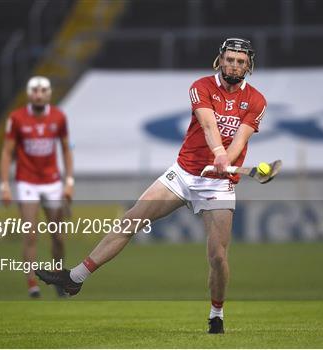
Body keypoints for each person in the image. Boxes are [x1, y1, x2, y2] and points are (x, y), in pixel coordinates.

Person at [36, 38, 267, 333]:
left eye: (240, 61)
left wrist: (226, 158)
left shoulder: (257, 100)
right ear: (220, 60)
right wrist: (219, 153)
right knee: (132, 219)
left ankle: (216, 314)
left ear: (249, 66)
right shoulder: (202, 86)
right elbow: (209, 126)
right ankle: (75, 278)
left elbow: (240, 141)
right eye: (230, 59)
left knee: (218, 257)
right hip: (184, 174)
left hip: (218, 186)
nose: (234, 65)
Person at [0, 76, 74, 298]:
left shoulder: (59, 117)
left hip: (52, 181)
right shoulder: (17, 118)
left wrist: (69, 182)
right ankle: (32, 283)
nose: (39, 94)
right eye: (35, 90)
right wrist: (4, 185)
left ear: (49, 93)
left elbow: (66, 150)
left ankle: (58, 274)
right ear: (29, 93)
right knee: (31, 235)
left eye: (43, 90)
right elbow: (6, 152)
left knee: (58, 236)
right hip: (27, 181)